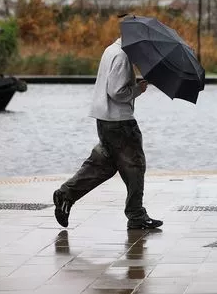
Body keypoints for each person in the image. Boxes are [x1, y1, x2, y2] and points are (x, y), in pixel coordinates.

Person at [52, 36, 163, 230]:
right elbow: (116, 91)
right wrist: (137, 89)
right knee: (135, 166)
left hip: (105, 120)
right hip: (120, 122)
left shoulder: (111, 50)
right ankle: (136, 215)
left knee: (103, 165)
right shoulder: (121, 56)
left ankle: (67, 194)